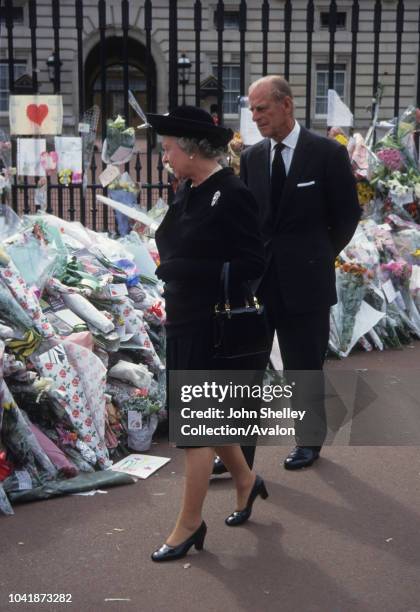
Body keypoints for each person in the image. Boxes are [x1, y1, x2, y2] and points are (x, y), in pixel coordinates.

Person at [213, 75, 360, 474]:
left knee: (303, 366)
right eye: (252, 109)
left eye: (262, 108)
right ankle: (239, 455)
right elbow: (248, 217)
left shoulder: (327, 153)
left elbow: (347, 215)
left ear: (286, 105)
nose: (256, 116)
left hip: (307, 282)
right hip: (259, 283)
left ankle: (309, 442)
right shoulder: (254, 157)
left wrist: (319, 255)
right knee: (249, 369)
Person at [147, 105, 269, 562]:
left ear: (192, 150)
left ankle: (189, 524)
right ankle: (246, 480)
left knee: (193, 430)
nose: (165, 158)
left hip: (210, 324)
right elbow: (175, 243)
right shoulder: (189, 189)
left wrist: (188, 268)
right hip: (183, 318)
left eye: (168, 150)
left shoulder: (232, 193)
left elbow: (253, 264)